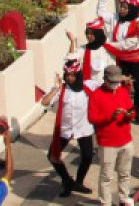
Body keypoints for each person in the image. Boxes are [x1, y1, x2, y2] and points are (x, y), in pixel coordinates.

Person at [87, 64, 135, 206]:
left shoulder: (122, 91)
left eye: (117, 82)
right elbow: (92, 118)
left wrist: (129, 115)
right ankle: (105, 203)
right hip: (107, 143)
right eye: (112, 82)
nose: (115, 85)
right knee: (107, 176)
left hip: (126, 140)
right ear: (105, 80)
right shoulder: (96, 96)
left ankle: (124, 199)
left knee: (125, 173)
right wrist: (110, 117)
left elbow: (132, 110)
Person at [46, 59, 94, 197]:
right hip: (65, 128)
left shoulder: (88, 86)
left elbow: (106, 84)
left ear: (78, 74)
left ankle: (78, 182)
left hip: (83, 127)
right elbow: (45, 102)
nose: (69, 78)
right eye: (67, 75)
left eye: (72, 75)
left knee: (87, 156)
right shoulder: (62, 89)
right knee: (52, 156)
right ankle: (67, 181)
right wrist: (56, 89)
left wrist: (123, 79)